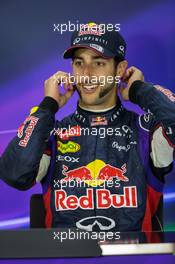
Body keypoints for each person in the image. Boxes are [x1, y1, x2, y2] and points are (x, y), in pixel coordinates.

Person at [1, 22, 175, 232]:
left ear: (119, 69)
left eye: (99, 63)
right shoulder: (51, 133)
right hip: (64, 259)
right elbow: (13, 174)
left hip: (134, 259)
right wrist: (47, 106)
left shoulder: (146, 130)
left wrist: (140, 90)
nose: (87, 74)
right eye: (79, 63)